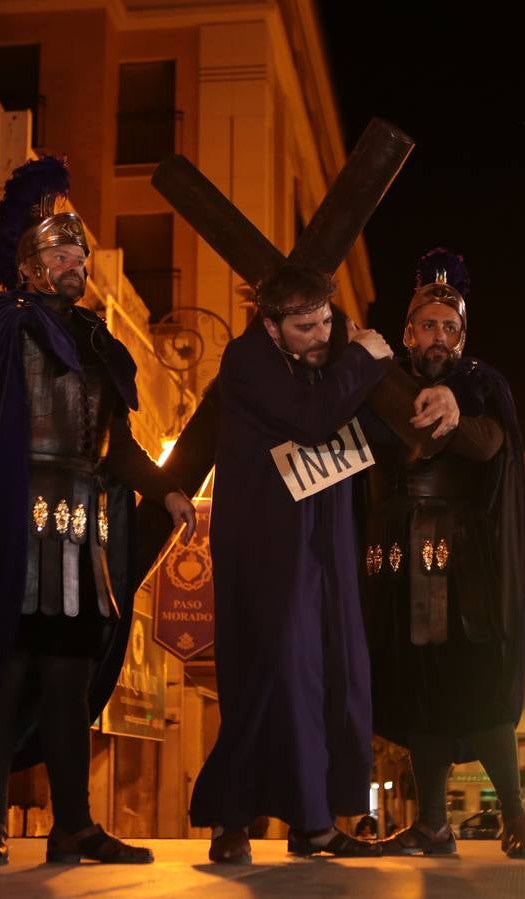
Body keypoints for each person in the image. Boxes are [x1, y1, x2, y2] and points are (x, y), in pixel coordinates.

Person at [0, 158, 195, 867]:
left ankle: (74, 826)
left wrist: (167, 490)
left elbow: (115, 447)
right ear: (26, 266)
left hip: (84, 528)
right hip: (11, 521)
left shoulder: (95, 344)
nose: (75, 260)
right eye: (59, 250)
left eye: (78, 251)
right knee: (8, 667)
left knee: (68, 677)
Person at [188, 264, 392, 864]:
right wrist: (364, 358)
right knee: (267, 672)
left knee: (323, 674)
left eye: (327, 321)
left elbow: (355, 416)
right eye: (306, 326)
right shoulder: (246, 359)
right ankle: (234, 819)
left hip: (321, 538)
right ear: (271, 326)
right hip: (265, 542)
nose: (322, 334)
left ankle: (313, 823)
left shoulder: (320, 357)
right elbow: (312, 417)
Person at [364, 250, 525, 861]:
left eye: (449, 327)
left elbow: (493, 445)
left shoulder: (482, 384)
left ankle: (516, 821)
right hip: (392, 554)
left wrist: (454, 414)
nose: (438, 336)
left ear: (461, 336)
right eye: (428, 325)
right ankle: (434, 825)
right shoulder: (379, 380)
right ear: (408, 331)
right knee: (417, 689)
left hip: (463, 559)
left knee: (478, 684)